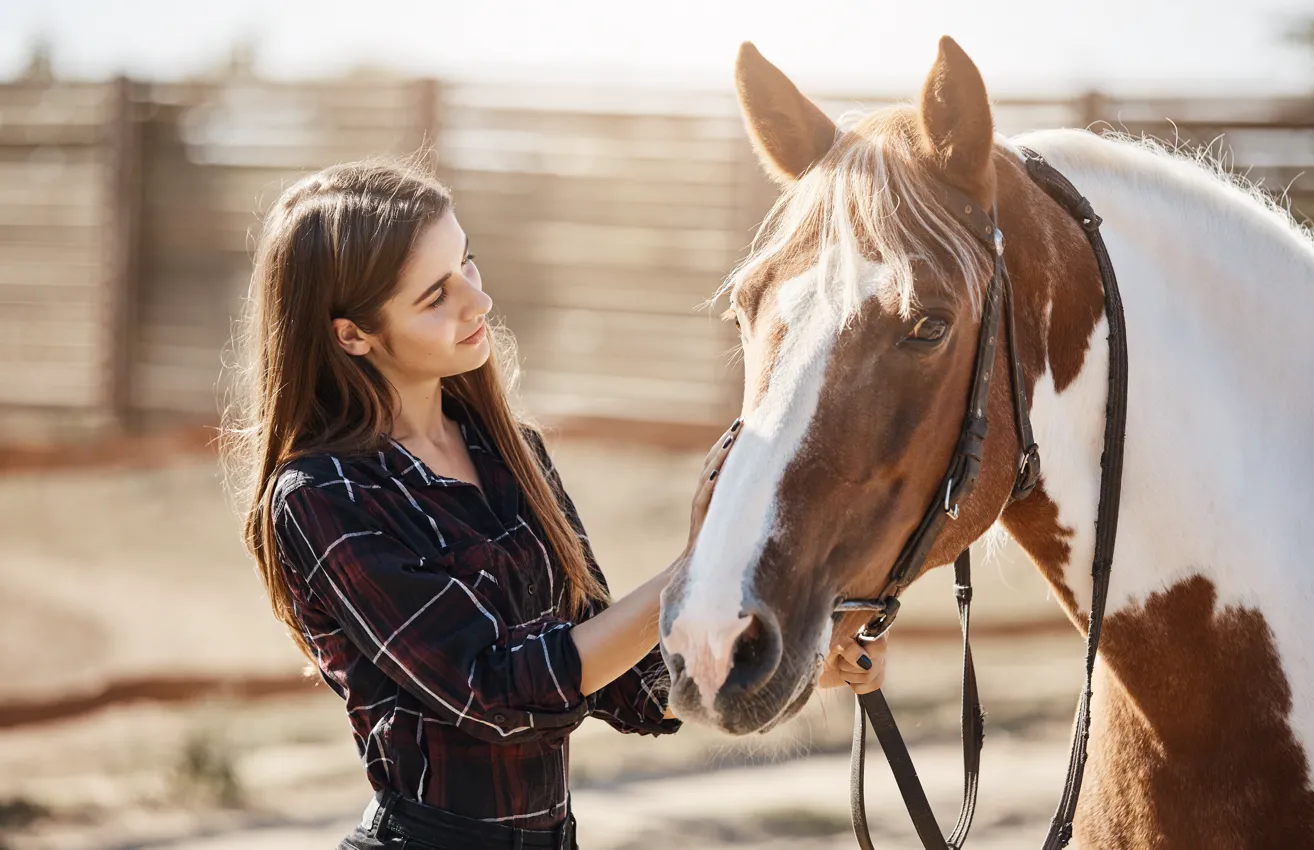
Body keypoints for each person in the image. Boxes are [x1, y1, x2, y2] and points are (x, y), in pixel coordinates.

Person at [221, 157, 887, 850]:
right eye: (435, 296)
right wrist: (689, 568)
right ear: (352, 335)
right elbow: (495, 693)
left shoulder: (510, 453)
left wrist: (791, 662)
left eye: (467, 262)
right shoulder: (323, 497)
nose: (477, 301)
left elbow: (616, 680)